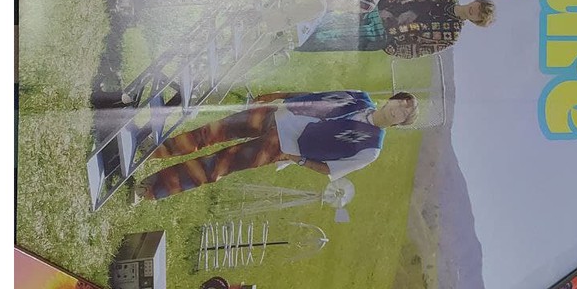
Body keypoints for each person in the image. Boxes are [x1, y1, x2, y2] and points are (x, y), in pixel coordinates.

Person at [128, 90, 418, 201]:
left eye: (404, 114)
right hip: (276, 115)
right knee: (209, 132)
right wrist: (279, 95)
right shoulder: (361, 98)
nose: (398, 111)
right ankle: (151, 152)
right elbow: (317, 95)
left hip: (283, 145)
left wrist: (297, 159)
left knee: (216, 166)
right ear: (392, 99)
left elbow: (330, 169)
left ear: (401, 123)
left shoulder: (371, 148)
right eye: (400, 104)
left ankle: (149, 188)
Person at [377, 0, 496, 59]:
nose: (475, 11)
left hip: (384, 34)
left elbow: (419, 50)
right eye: (479, 7)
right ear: (477, 1)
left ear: (476, 21)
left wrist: (386, 44)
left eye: (479, 15)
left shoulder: (451, 35)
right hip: (382, 4)